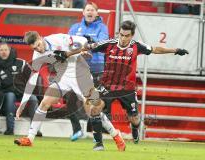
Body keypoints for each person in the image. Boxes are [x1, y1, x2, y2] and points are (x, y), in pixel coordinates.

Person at [13, 31, 125, 151]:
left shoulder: (58, 39)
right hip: (63, 77)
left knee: (92, 110)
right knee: (45, 102)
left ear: (41, 37)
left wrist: (83, 48)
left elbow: (82, 40)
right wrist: (23, 104)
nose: (39, 49)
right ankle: (30, 139)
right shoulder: (37, 55)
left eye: (39, 45)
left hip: (80, 73)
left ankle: (116, 135)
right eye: (35, 48)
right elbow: (32, 81)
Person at [84, 20, 189, 144]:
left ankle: (134, 128)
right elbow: (89, 46)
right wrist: (86, 45)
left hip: (127, 88)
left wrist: (175, 50)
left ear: (132, 35)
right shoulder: (109, 44)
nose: (123, 38)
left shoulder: (137, 46)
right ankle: (98, 143)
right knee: (95, 109)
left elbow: (155, 49)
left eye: (126, 36)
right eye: (121, 35)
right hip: (108, 86)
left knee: (134, 119)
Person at [67, 1, 109, 141]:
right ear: (83, 12)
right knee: (70, 99)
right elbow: (68, 45)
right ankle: (77, 129)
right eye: (88, 10)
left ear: (97, 13)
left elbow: (103, 43)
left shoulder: (102, 27)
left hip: (96, 68)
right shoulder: (75, 27)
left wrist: (88, 39)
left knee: (93, 102)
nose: (90, 12)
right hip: (78, 67)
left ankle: (96, 133)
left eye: (93, 10)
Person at [0, 43, 41, 135]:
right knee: (10, 96)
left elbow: (31, 77)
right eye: (1, 50)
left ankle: (35, 130)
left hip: (22, 91)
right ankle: (10, 129)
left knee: (33, 98)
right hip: (7, 92)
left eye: (6, 50)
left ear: (10, 50)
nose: (4, 52)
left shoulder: (21, 62)